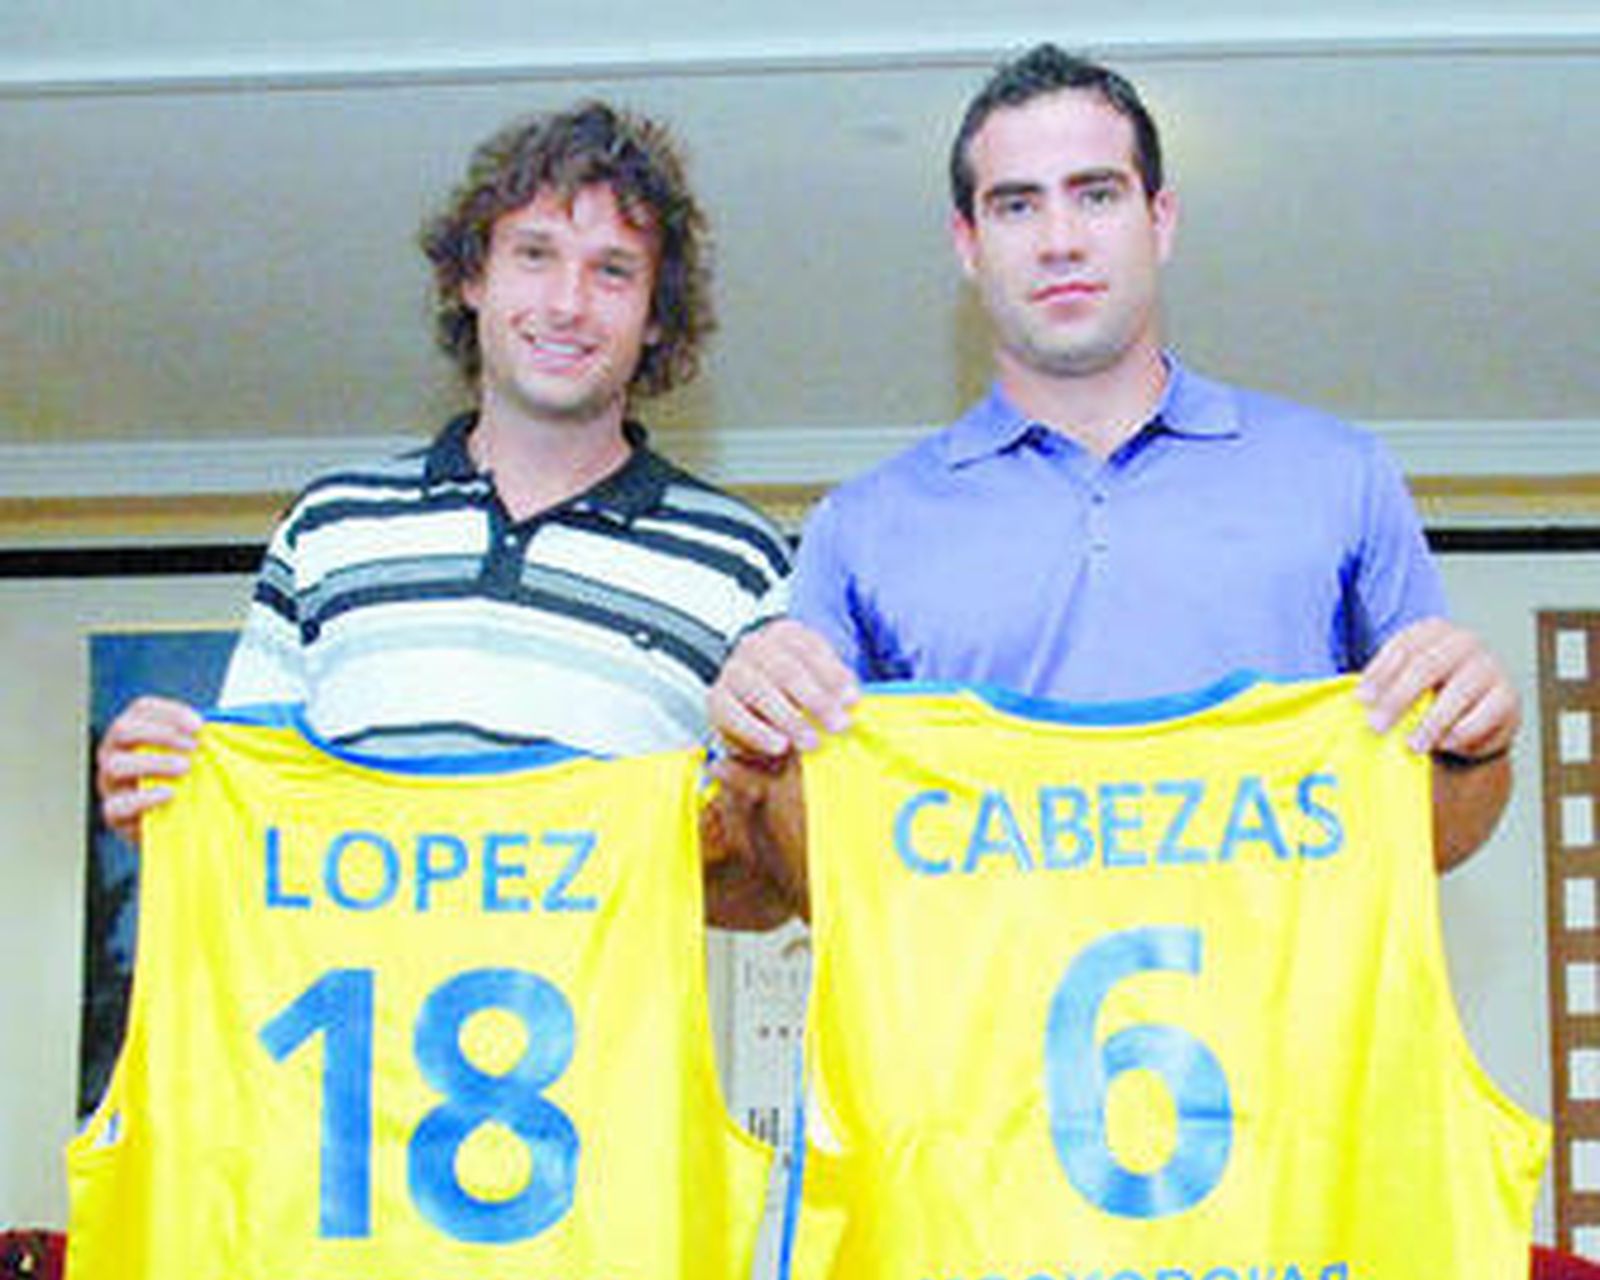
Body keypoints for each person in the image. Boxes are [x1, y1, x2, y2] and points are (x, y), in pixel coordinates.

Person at [708, 44, 1519, 873]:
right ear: (967, 242)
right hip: (981, 1005)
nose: (1060, 240)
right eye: (1017, 206)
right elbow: (811, 872)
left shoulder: (1341, 475)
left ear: (1160, 219)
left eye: (1096, 195)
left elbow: (1432, 830)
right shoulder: (861, 526)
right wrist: (754, 759)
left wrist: (1479, 742)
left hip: (1284, 1004)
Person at [94, 99, 793, 923]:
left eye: (612, 270)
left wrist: (731, 830)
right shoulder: (329, 527)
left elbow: (765, 897)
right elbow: (256, 824)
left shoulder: (744, 562)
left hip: (604, 1052)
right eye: (535, 255)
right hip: (342, 1046)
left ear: (655, 316)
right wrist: (162, 799)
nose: (567, 303)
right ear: (472, 278)